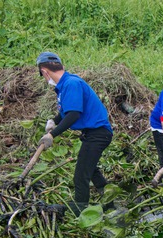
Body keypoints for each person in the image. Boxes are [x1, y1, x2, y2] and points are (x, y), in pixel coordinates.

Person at [36, 51, 113, 216]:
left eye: (42, 75)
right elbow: (67, 111)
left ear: (44, 71)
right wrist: (54, 121)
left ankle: (80, 212)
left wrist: (52, 135)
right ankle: (111, 201)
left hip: (98, 134)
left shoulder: (71, 84)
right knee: (90, 169)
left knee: (80, 176)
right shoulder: (65, 85)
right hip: (94, 134)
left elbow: (74, 114)